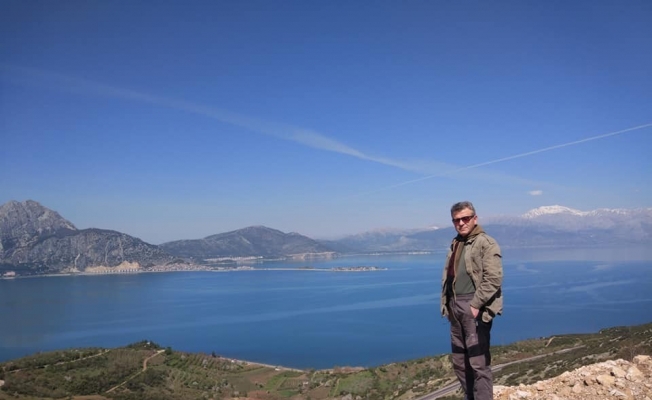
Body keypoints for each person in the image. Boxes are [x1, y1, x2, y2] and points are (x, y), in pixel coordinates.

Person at [441, 201, 503, 400]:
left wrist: (475, 305)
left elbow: (493, 279)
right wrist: (447, 305)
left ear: (474, 219)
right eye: (456, 220)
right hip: (455, 308)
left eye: (465, 218)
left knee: (478, 362)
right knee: (460, 362)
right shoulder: (456, 242)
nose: (461, 223)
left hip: (473, 306)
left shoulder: (486, 243)